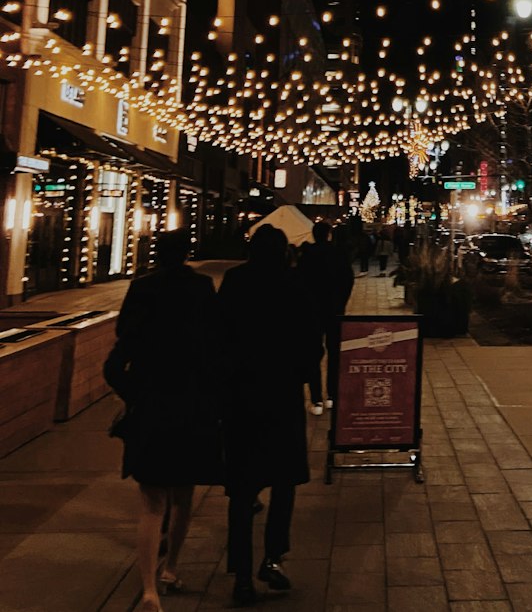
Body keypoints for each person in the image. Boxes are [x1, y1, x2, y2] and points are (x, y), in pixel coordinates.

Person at [103, 228, 221, 612]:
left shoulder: (143, 288)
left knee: (152, 502)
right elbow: (214, 341)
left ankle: (149, 588)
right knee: (183, 495)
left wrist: (134, 394)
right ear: (187, 253)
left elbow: (119, 350)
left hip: (152, 403)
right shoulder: (202, 288)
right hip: (191, 403)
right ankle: (171, 567)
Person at [218, 224, 321, 606]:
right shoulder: (293, 286)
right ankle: (272, 558)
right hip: (281, 398)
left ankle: (242, 577)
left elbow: (219, 335)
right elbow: (312, 343)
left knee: (242, 492)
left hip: (242, 399)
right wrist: (306, 380)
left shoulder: (234, 282)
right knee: (283, 485)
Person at [298, 221, 355, 414]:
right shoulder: (338, 253)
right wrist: (341, 302)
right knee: (334, 353)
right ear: (329, 234)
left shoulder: (307, 254)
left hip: (312, 311)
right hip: (334, 309)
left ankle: (316, 400)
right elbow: (348, 279)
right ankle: (332, 395)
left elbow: (301, 282)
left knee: (313, 353)